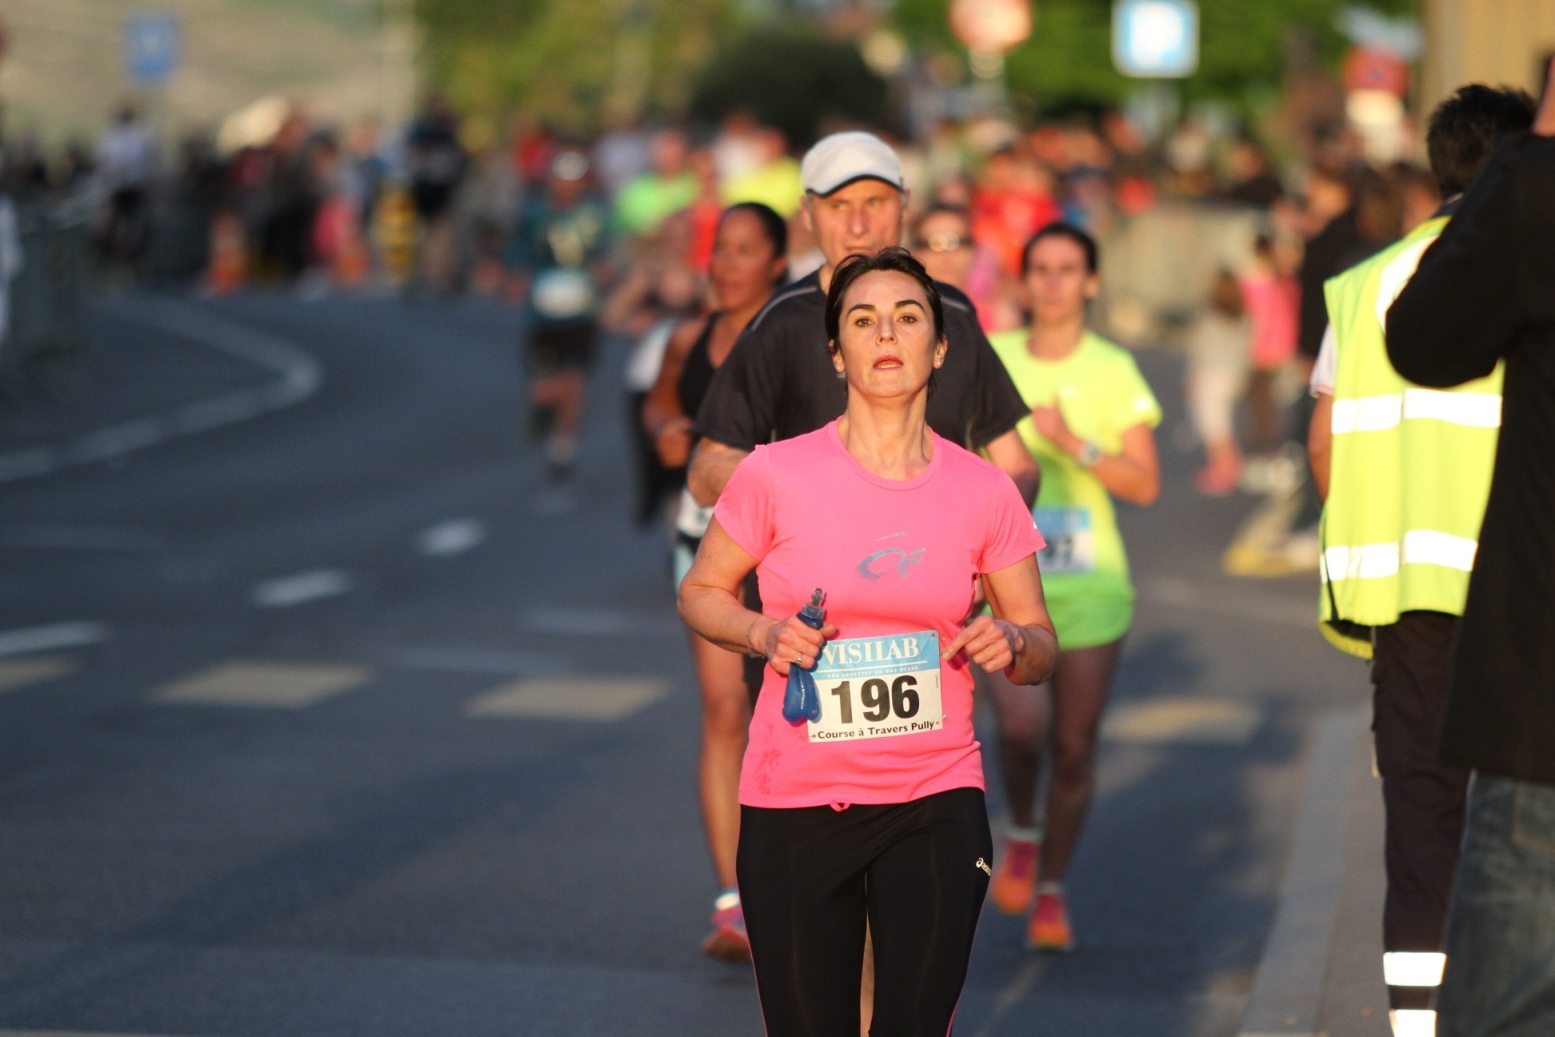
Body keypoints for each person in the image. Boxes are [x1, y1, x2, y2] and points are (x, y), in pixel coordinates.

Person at [678, 247, 1059, 1036]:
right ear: (836, 353)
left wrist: (1013, 640)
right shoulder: (774, 473)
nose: (885, 333)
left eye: (907, 316)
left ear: (940, 347)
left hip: (934, 796)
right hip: (795, 799)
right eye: (862, 319)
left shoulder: (984, 489)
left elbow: (1040, 644)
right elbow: (701, 591)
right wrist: (762, 631)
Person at [1307, 84, 1536, 1037]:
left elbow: (1323, 442)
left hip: (1401, 593)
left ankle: (1413, 1022)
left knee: (1419, 810)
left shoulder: (1361, 287)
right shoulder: (1525, 265)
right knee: (1521, 815)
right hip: (1514, 586)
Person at [1383, 65, 1555, 1037]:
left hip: (1540, 707)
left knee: (1506, 1006)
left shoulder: (1537, 193)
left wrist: (1528, 154)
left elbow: (1425, 338)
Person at [983, 223, 1161, 951]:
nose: (1053, 283)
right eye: (1041, 269)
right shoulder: (990, 356)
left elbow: (1143, 483)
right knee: (1021, 729)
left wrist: (1068, 441)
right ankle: (1023, 828)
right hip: (1002, 581)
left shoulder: (1113, 367)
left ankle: (1051, 887)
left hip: (1089, 587)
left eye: (1067, 270)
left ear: (1091, 282)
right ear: (1023, 282)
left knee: (1075, 746)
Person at [639, 203, 789, 960]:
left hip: (787, 548)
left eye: (743, 251)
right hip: (705, 542)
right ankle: (734, 899)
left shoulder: (794, 338)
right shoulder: (687, 339)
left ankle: (797, 882)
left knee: (782, 715)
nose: (725, 265)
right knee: (726, 708)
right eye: (718, 250)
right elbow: (661, 402)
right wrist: (667, 431)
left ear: (777, 262)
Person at [510, 148, 612, 482]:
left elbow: (607, 252)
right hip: (545, 311)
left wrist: (604, 271)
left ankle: (563, 447)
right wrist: (515, 275)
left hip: (581, 310)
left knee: (575, 380)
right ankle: (542, 411)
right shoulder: (536, 212)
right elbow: (518, 250)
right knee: (542, 384)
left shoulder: (595, 214)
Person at [1185, 269, 1253, 495]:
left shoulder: (1210, 316)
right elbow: (1246, 351)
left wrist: (1192, 377)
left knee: (1213, 428)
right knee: (1224, 425)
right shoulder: (1242, 315)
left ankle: (1223, 471)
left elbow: (1200, 350)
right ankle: (1232, 466)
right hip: (1232, 376)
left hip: (1210, 377)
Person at [613, 127, 698, 240]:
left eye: (672, 151)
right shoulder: (636, 189)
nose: (666, 156)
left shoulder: (695, 185)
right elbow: (624, 227)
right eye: (662, 150)